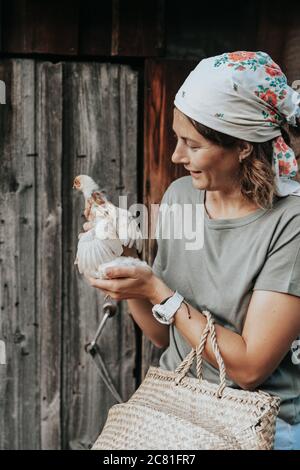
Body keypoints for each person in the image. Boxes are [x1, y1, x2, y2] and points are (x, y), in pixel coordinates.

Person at [85, 51, 300, 450]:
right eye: (176, 137)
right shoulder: (181, 196)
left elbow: (250, 369)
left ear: (242, 147)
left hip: (261, 421)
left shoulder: (291, 223)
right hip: (175, 403)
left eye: (192, 144)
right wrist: (125, 262)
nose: (175, 157)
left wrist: (157, 291)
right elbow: (163, 337)